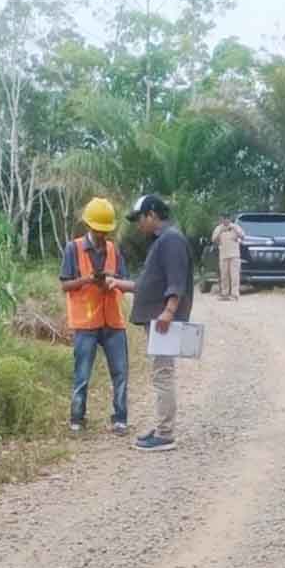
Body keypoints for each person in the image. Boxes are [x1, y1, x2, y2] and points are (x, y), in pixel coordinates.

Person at [125, 193, 194, 452]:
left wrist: (169, 310)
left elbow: (175, 279)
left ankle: (165, 434)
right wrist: (121, 284)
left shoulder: (171, 240)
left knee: (162, 374)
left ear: (152, 214)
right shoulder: (162, 241)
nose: (138, 225)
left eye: (139, 219)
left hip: (163, 320)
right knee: (160, 373)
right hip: (158, 319)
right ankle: (162, 426)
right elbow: (150, 283)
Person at [60, 197, 135, 434]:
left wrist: (112, 281)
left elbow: (125, 283)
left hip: (113, 320)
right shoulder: (73, 248)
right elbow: (65, 285)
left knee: (120, 373)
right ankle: (77, 419)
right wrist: (87, 280)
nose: (102, 235)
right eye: (98, 230)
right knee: (82, 374)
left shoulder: (114, 249)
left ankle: (120, 418)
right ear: (89, 226)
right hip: (86, 322)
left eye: (105, 231)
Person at [211, 213, 245, 301]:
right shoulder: (219, 228)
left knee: (235, 275)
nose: (225, 220)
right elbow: (213, 239)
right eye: (223, 219)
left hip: (234, 255)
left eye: (227, 218)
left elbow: (243, 236)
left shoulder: (236, 227)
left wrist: (234, 229)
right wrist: (221, 231)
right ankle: (224, 294)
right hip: (223, 255)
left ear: (230, 219)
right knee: (224, 275)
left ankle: (234, 294)